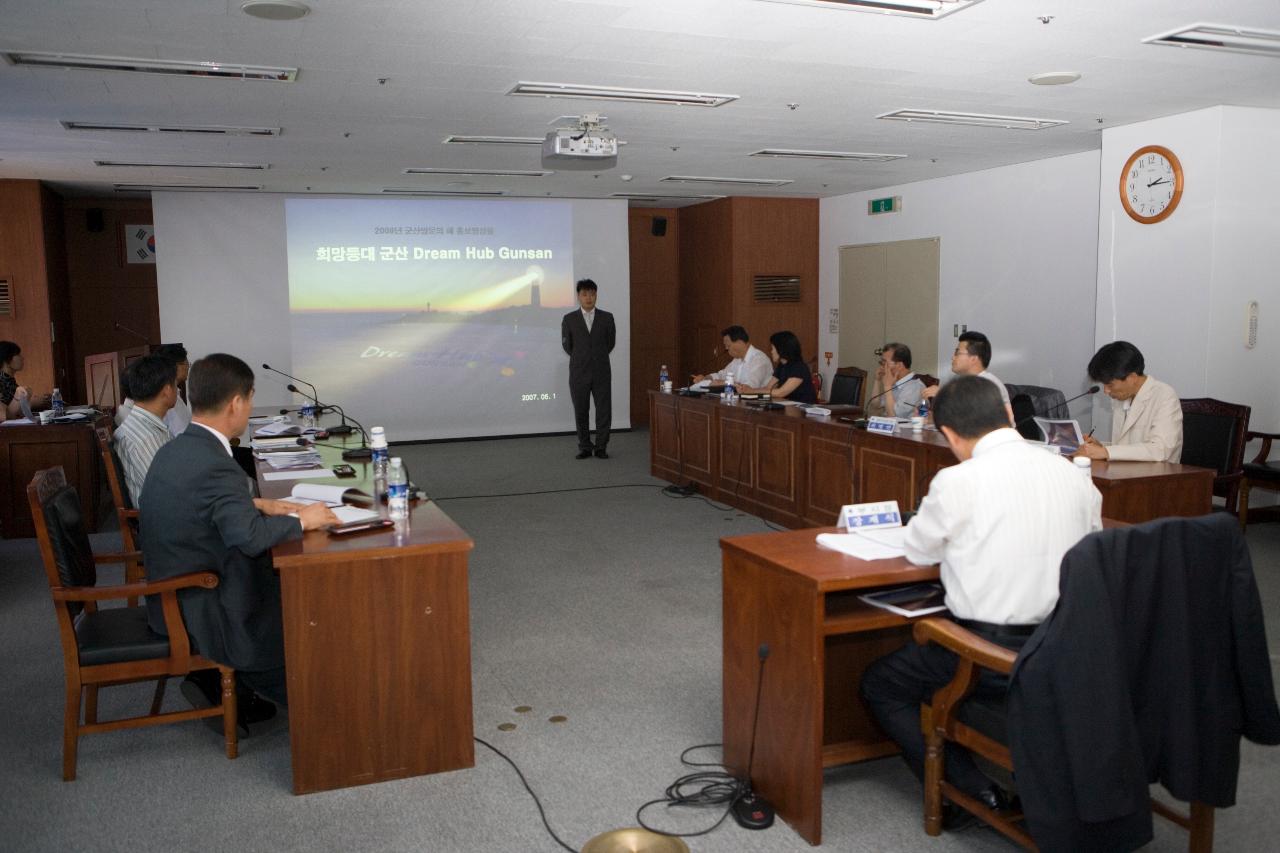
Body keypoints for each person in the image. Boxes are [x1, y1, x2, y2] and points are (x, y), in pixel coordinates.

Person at [860, 375, 1102, 830]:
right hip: (1065, 649)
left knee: (882, 683)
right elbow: (1094, 545)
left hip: (990, 656)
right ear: (1009, 415)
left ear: (950, 435)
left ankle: (971, 788)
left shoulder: (957, 480)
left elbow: (918, 551)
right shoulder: (1072, 473)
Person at [139, 353, 338, 713]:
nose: (249, 408)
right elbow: (249, 538)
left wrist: (261, 505)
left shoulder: (179, 448)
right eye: (250, 400)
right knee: (301, 596)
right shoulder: (216, 464)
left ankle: (240, 687)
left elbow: (198, 505)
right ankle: (304, 700)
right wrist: (303, 520)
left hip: (174, 588)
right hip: (197, 603)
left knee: (288, 576)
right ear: (236, 403)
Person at [1076, 340, 1182, 462]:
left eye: (1110, 385)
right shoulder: (1122, 398)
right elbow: (1125, 447)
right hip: (1124, 473)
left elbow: (1161, 449)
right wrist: (1100, 447)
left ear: (1132, 377)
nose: (1106, 391)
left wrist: (1106, 452)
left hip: (1158, 477)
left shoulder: (1164, 395)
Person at [561, 278, 616, 459]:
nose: (589, 298)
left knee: (603, 411)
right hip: (579, 372)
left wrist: (595, 357)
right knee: (581, 411)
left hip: (601, 371)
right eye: (584, 294)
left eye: (592, 294)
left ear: (596, 295)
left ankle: (601, 446)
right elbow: (568, 346)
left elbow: (610, 343)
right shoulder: (569, 319)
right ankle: (585, 446)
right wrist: (583, 358)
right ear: (578, 296)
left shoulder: (607, 318)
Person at [113, 354, 178, 506]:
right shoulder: (146, 439)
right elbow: (172, 493)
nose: (178, 390)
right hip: (168, 523)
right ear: (167, 390)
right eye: (176, 385)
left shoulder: (143, 426)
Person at [921, 331, 1013, 424]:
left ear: (974, 358)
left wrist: (943, 394)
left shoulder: (990, 384)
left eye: (957, 353)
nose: (953, 357)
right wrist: (931, 418)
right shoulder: (959, 382)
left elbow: (975, 416)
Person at [740, 330, 816, 404]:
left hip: (804, 410)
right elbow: (768, 388)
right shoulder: (782, 365)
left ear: (781, 349)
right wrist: (747, 389)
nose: (771, 351)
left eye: (773, 348)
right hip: (787, 406)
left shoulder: (799, 367)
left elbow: (780, 392)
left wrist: (751, 391)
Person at [691, 325, 773, 389]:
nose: (726, 349)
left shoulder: (759, 359)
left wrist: (725, 383)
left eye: (728, 345)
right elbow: (721, 375)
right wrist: (705, 378)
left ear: (739, 342)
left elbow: (750, 387)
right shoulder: (737, 360)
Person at [870, 342, 925, 418]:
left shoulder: (914, 386)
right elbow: (876, 404)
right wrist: (877, 380)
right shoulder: (896, 383)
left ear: (899, 365)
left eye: (884, 362)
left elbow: (894, 416)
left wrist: (887, 386)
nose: (882, 366)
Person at [1, 340, 49, 419]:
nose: (22, 358)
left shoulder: (9, 380)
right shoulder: (2, 381)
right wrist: (30, 402)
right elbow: (4, 416)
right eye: (18, 354)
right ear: (7, 360)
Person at [155, 342, 192, 436]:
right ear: (175, 366)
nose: (188, 367)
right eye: (186, 363)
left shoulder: (176, 393)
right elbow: (182, 434)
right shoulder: (167, 396)